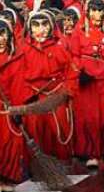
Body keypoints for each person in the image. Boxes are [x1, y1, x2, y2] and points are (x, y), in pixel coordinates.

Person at [67, 0, 104, 167]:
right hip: (86, 79)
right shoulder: (78, 32)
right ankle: (91, 152)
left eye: (100, 10)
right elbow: (73, 55)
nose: (97, 13)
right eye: (94, 10)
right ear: (88, 12)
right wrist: (79, 71)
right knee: (89, 117)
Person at [22, 10, 77, 161]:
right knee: (35, 131)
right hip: (33, 95)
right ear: (30, 28)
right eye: (36, 25)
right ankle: (38, 165)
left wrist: (66, 93)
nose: (41, 29)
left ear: (51, 26)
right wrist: (25, 96)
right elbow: (18, 76)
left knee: (60, 130)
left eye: (45, 24)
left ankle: (62, 161)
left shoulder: (60, 47)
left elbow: (71, 72)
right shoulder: (23, 49)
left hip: (56, 93)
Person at [0, 19, 28, 192]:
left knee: (10, 142)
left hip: (10, 105)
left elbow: (20, 83)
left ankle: (8, 176)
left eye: (1, 34)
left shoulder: (16, 56)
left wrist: (18, 107)